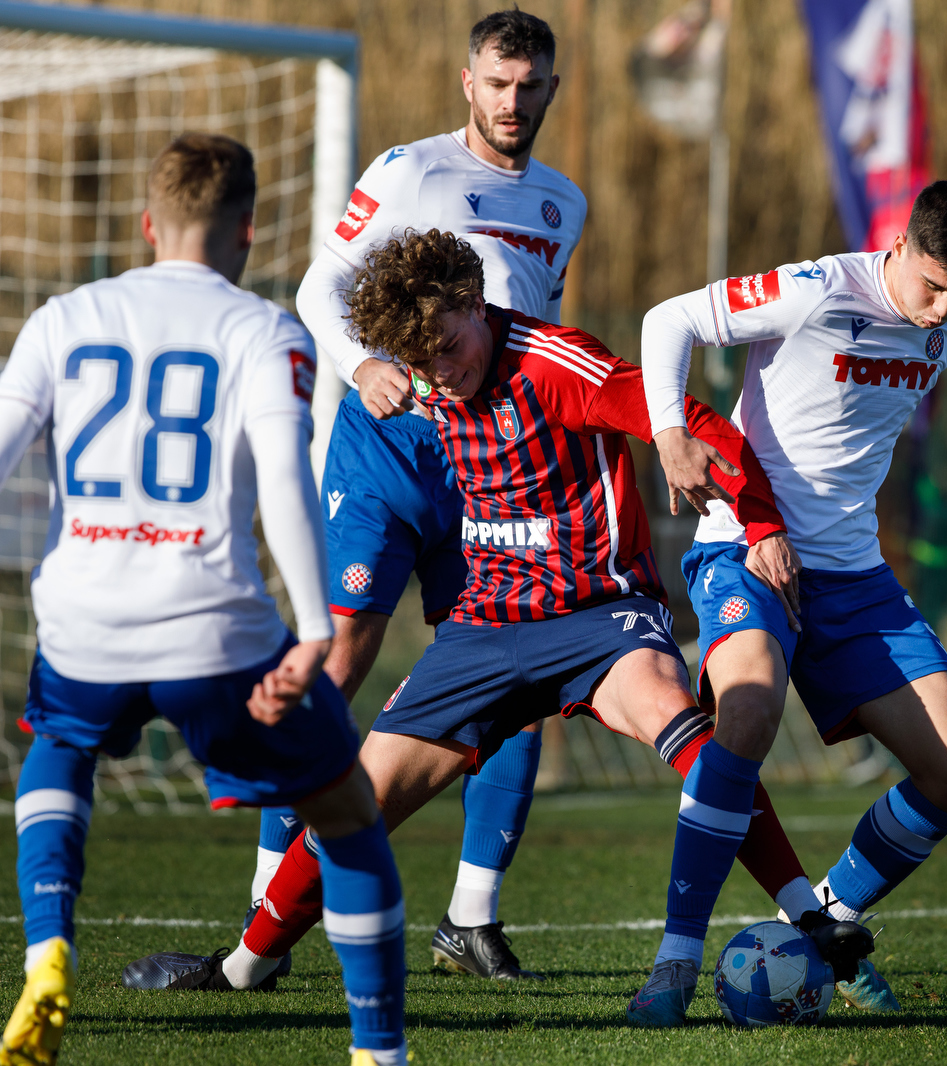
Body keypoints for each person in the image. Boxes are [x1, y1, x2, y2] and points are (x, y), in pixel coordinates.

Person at [131, 228, 868, 1004]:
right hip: (484, 626)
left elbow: (682, 415)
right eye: (425, 363)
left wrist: (754, 517)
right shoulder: (427, 378)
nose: (444, 375)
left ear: (475, 305)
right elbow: (361, 349)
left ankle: (808, 915)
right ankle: (244, 968)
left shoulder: (556, 364)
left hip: (598, 615)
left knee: (685, 730)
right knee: (354, 804)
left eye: (452, 347)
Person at [0, 134, 408, 1066]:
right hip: (214, 632)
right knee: (346, 813)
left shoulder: (64, 317)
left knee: (59, 752)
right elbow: (284, 485)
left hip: (83, 625)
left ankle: (47, 957)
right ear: (249, 232)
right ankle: (380, 1053)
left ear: (149, 224)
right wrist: (313, 630)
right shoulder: (263, 329)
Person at [248, 8, 581, 980]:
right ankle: (265, 905)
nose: (513, 101)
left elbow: (532, 340)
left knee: (517, 677)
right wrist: (360, 367)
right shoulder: (410, 171)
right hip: (386, 453)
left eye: (530, 85)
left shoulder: (564, 203)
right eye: (497, 82)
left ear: (551, 89)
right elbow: (319, 289)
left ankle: (470, 920)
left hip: (493, 466)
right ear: (467, 83)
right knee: (339, 658)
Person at [633, 179, 947, 1026]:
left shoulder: (942, 327)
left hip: (854, 579)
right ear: (902, 245)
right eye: (934, 284)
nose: (943, 307)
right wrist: (670, 432)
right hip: (743, 551)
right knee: (751, 709)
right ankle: (675, 958)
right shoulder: (818, 288)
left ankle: (824, 918)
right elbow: (670, 319)